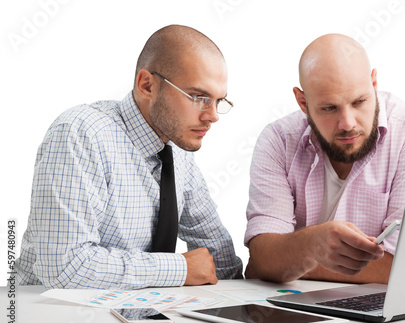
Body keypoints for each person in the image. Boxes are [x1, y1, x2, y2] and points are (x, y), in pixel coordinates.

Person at [15, 25, 243, 289]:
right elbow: (64, 267)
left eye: (218, 101)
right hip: (49, 318)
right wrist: (180, 269)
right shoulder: (81, 133)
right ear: (147, 85)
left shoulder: (178, 151)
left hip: (140, 316)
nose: (213, 115)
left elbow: (220, 260)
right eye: (197, 97)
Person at [244, 34, 405, 284]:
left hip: (377, 315)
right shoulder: (278, 140)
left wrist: (292, 258)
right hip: (295, 309)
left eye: (359, 101)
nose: (348, 124)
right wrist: (309, 243)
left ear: (374, 84)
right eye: (329, 108)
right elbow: (264, 257)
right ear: (303, 102)